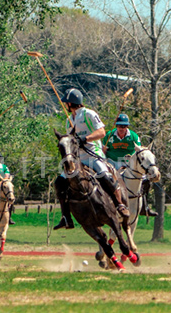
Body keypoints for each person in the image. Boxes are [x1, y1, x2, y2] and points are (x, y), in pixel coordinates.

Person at [54, 88, 130, 230]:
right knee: (59, 182)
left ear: (71, 103)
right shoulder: (69, 120)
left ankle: (119, 204)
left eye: (66, 102)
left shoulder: (89, 114)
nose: (65, 105)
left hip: (93, 155)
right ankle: (66, 217)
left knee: (106, 175)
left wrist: (86, 138)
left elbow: (101, 132)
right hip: (78, 160)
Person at [102, 113, 157, 217]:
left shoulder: (133, 136)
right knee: (105, 178)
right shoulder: (109, 135)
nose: (121, 128)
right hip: (112, 161)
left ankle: (145, 207)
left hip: (128, 162)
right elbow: (103, 151)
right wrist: (103, 153)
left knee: (145, 179)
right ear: (116, 126)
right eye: (119, 126)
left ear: (127, 126)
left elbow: (139, 151)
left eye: (124, 126)